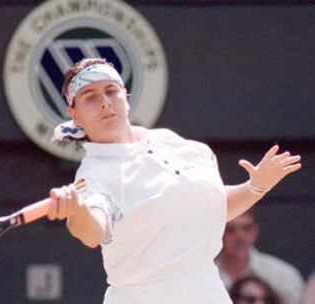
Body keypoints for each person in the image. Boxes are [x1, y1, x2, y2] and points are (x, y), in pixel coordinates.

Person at [47, 57, 302, 303]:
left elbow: (213, 209)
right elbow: (92, 232)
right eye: (90, 97)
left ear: (125, 96)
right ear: (74, 113)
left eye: (111, 91)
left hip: (207, 292)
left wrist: (257, 186)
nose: (104, 102)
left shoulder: (170, 141)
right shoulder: (94, 175)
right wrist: (77, 210)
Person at [216, 210, 304, 304]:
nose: (240, 236)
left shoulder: (283, 274)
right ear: (219, 234)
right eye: (230, 230)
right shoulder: (204, 274)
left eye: (246, 228)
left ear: (255, 231)